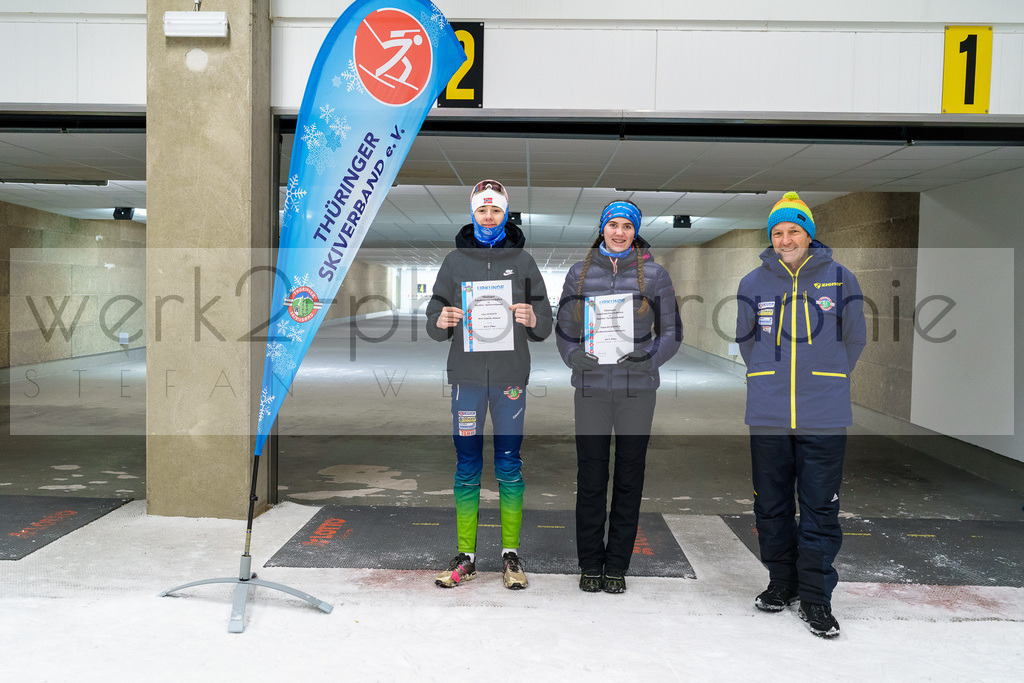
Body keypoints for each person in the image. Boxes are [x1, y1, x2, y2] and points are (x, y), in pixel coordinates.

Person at [735, 191, 866, 638]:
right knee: (770, 506)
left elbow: (855, 340)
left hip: (824, 416)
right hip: (768, 413)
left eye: (793, 231)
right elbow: (746, 340)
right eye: (777, 232)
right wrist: (768, 376)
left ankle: (815, 598)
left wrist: (828, 377)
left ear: (808, 234)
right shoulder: (754, 283)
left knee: (819, 510)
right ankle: (780, 583)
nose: (785, 239)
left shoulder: (840, 278)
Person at [425, 179, 553, 590]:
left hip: (509, 381)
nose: (488, 217)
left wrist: (533, 320)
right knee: (466, 466)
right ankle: (466, 556)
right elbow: (434, 311)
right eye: (482, 210)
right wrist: (439, 321)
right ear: (472, 213)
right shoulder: (453, 262)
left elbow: (545, 320)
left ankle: (510, 555)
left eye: (495, 210)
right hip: (466, 380)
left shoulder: (525, 261)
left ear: (505, 213)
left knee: (509, 466)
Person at [555, 200, 681, 594]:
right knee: (591, 477)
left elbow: (672, 332)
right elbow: (564, 329)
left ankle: (617, 566)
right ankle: (590, 562)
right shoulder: (579, 273)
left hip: (637, 390)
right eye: (614, 225)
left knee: (629, 477)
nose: (620, 231)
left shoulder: (656, 275)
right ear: (602, 229)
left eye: (628, 225)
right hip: (591, 389)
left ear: (635, 232)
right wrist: (573, 356)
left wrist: (650, 357)